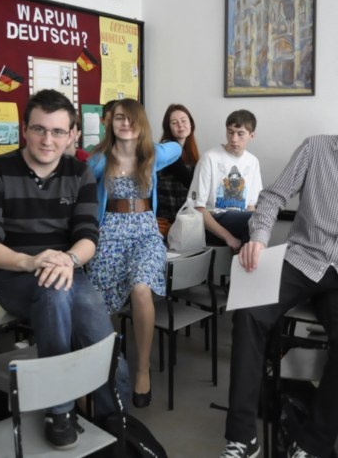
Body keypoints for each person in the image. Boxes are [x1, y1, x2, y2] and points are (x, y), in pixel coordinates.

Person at [221, 78, 338, 458]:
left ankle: (311, 444)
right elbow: (273, 197)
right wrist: (259, 238)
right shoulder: (315, 148)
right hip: (301, 260)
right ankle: (242, 438)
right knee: (248, 313)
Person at [0, 89, 130, 449]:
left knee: (104, 344)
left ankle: (116, 420)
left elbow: (88, 237)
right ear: (24, 129)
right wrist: (30, 261)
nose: (48, 140)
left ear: (72, 134)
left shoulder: (80, 173)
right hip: (14, 277)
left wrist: (68, 260)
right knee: (54, 289)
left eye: (58, 131)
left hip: (69, 271)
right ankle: (60, 409)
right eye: (39, 129)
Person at [87, 98, 181, 408]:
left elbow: (177, 148)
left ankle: (142, 369)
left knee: (141, 289)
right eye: (119, 118)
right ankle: (104, 367)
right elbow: (79, 183)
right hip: (109, 232)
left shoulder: (151, 155)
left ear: (141, 123)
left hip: (145, 232)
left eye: (131, 119)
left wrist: (149, 145)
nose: (125, 124)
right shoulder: (99, 159)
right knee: (100, 304)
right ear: (109, 123)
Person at [189, 109, 261, 252]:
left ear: (251, 136)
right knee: (253, 219)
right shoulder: (210, 158)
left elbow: (251, 206)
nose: (234, 139)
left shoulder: (253, 162)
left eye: (240, 134)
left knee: (260, 219)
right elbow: (198, 208)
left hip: (241, 222)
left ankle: (246, 263)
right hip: (212, 220)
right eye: (230, 132)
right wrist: (229, 237)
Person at [156, 103, 200, 230]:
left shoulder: (189, 151)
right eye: (174, 122)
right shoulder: (167, 149)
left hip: (183, 219)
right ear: (168, 128)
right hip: (168, 221)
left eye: (183, 120)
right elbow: (191, 183)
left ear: (191, 124)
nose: (180, 125)